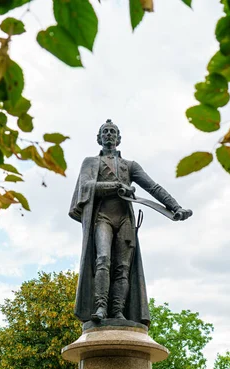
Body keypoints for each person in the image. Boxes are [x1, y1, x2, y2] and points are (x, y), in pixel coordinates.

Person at [69, 119, 192, 325]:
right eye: (105, 132)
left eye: (112, 132)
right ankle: (100, 307)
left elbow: (153, 187)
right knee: (103, 259)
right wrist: (115, 186)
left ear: (119, 138)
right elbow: (86, 186)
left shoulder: (130, 166)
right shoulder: (90, 162)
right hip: (102, 217)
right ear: (99, 138)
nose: (109, 134)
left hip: (124, 219)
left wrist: (175, 207)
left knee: (123, 267)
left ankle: (117, 311)